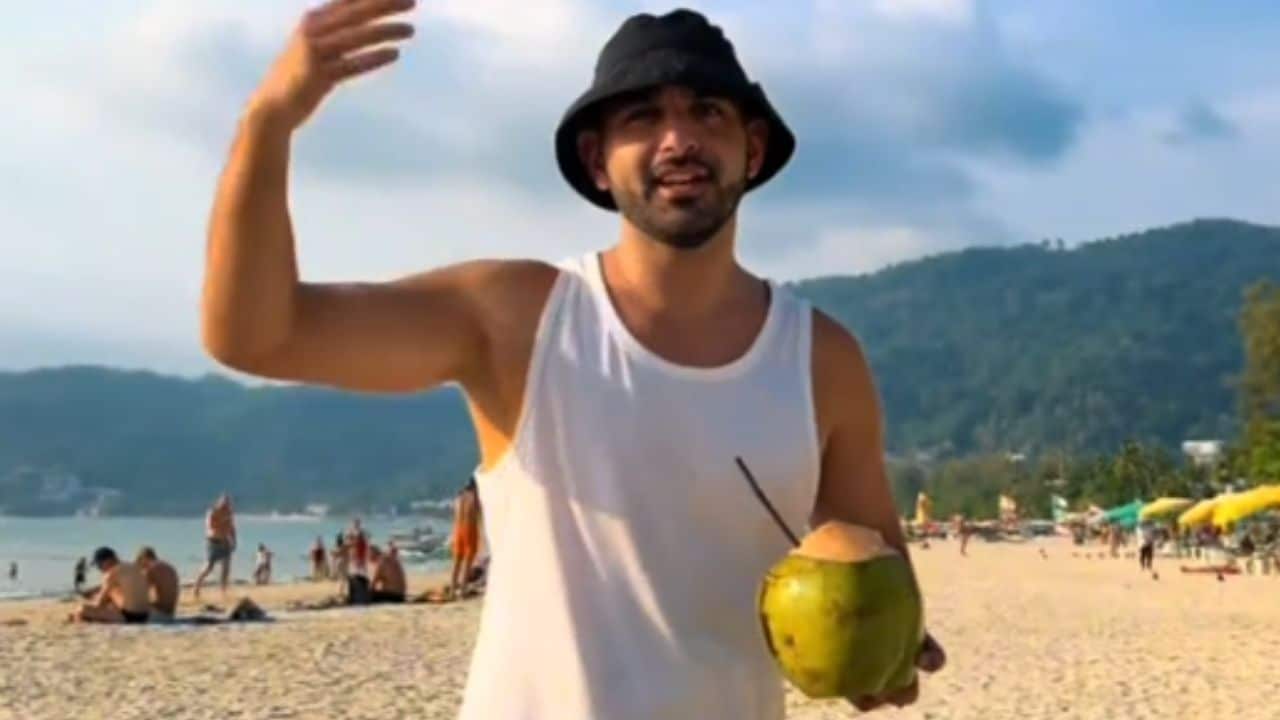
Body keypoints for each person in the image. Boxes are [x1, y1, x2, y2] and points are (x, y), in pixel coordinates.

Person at [201, 7, 945, 717]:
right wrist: (268, 121)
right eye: (642, 117)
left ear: (752, 149)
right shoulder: (518, 320)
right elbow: (256, 335)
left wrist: (885, 654)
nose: (678, 139)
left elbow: (874, 570)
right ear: (597, 161)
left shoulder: (821, 360)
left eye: (708, 112)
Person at [69, 547, 151, 624]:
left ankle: (83, 619)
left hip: (129, 616)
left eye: (99, 565)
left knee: (82, 609)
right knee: (111, 595)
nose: (100, 569)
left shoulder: (111, 573)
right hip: (145, 615)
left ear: (108, 561)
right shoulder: (133, 567)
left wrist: (91, 600)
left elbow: (99, 604)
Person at [193, 493, 237, 600]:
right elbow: (211, 527)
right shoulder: (212, 512)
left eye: (228, 504)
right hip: (213, 542)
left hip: (225, 543)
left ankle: (223, 592)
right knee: (208, 567)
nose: (226, 506)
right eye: (224, 504)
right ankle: (197, 588)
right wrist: (223, 524)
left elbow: (232, 528)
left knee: (226, 568)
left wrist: (234, 540)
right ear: (218, 503)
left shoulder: (229, 513)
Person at [450, 477, 482, 599]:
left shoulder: (459, 496)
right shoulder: (475, 496)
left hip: (458, 528)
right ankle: (463, 590)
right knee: (468, 561)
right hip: (470, 528)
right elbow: (478, 510)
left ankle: (452, 590)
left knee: (457, 561)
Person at [135, 546, 180, 620]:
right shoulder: (169, 566)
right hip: (170, 614)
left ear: (143, 559)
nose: (142, 568)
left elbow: (140, 595)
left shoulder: (150, 569)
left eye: (140, 564)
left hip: (158, 615)